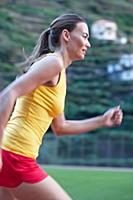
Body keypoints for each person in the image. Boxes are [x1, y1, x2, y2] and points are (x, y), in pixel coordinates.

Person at [0, 13, 123, 200]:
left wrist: (102, 121)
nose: (88, 44)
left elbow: (60, 127)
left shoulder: (60, 73)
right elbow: (8, 94)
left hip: (14, 154)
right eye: (85, 36)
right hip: (15, 155)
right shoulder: (53, 62)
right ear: (66, 35)